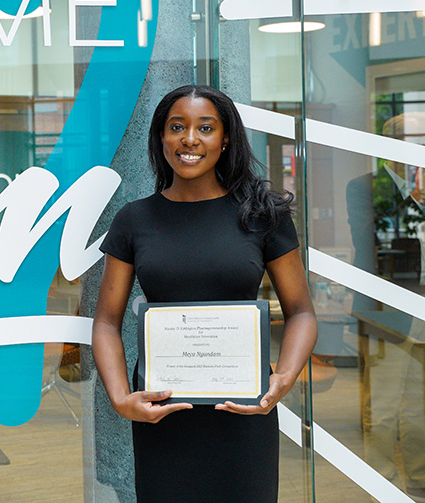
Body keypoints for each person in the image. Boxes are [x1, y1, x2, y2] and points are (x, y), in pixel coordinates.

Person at [91, 85, 317, 503]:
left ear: (225, 137)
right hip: (163, 416)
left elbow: (302, 311)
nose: (190, 139)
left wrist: (282, 380)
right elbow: (106, 320)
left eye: (205, 128)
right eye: (177, 127)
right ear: (161, 137)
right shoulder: (134, 220)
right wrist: (122, 398)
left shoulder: (262, 215)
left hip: (244, 413)